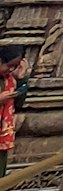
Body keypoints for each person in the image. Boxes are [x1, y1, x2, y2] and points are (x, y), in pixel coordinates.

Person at [0, 46, 30, 179]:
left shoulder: (10, 81)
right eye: (9, 65)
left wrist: (22, 78)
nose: (11, 69)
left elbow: (18, 105)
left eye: (15, 66)